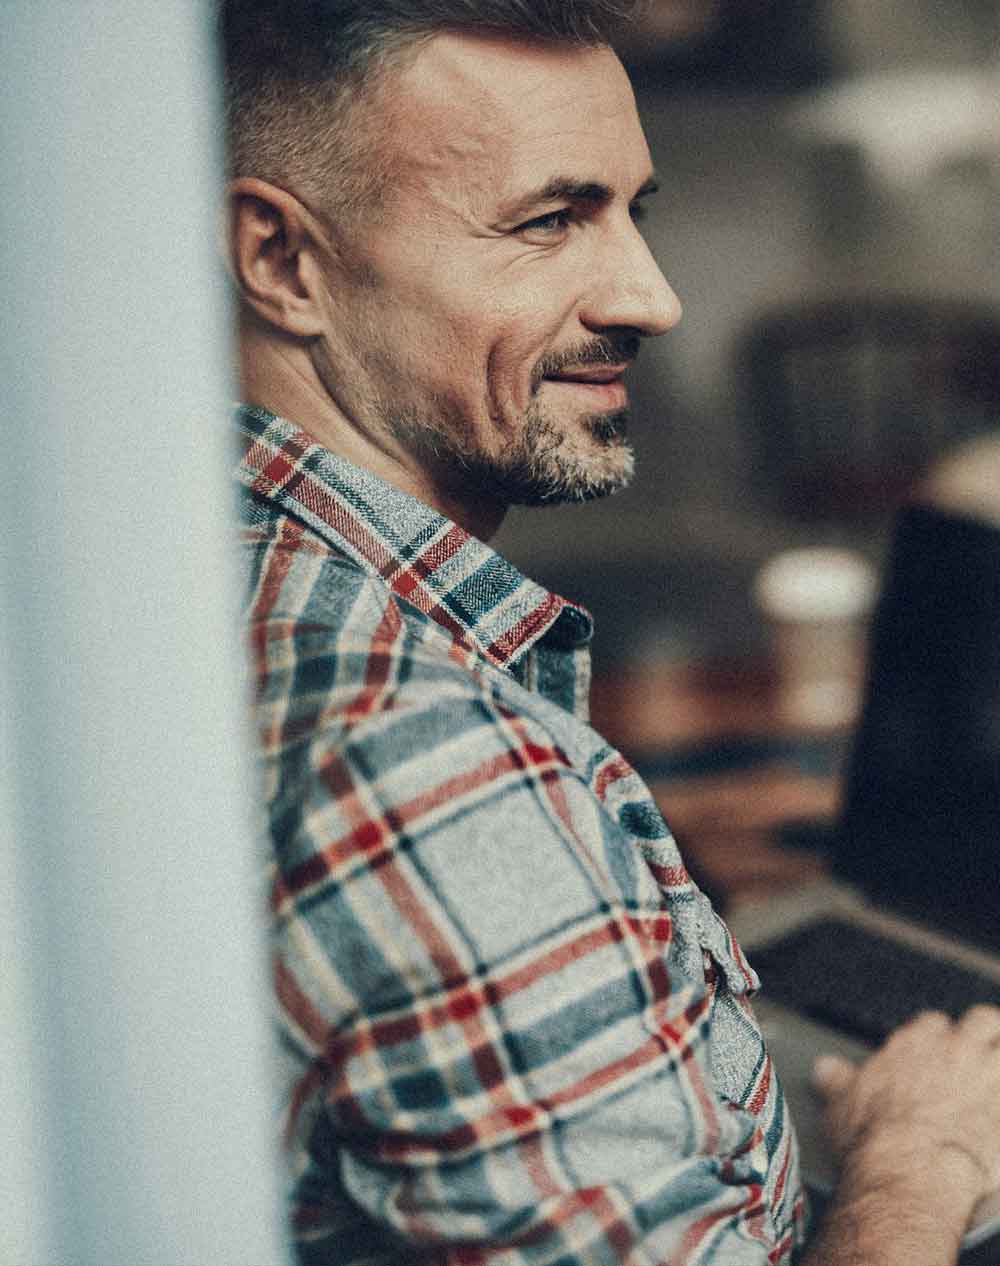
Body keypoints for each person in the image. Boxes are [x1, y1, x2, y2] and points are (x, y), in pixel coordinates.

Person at [218, 3, 1000, 1262]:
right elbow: (432, 818)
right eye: (548, 220)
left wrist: (618, 885)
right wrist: (922, 1155)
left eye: (633, 211)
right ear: (282, 260)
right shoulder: (437, 773)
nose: (655, 297)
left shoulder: (210, 573)